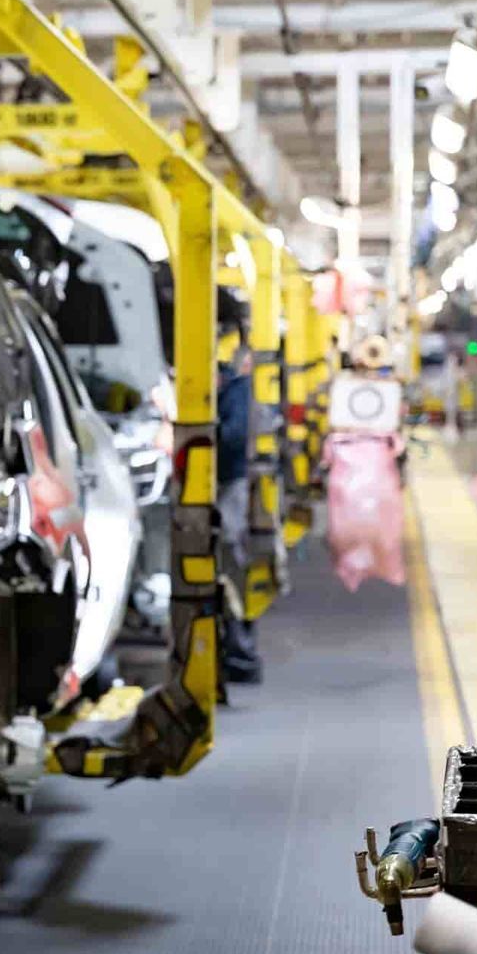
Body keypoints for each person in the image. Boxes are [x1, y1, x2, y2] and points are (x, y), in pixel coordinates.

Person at [215, 289, 263, 685]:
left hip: (227, 477)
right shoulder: (228, 377)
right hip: (217, 475)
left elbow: (233, 435)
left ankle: (239, 642)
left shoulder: (235, 381)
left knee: (229, 550)